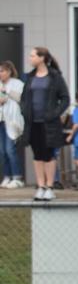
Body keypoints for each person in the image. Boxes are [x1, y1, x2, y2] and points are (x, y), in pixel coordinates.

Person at [18, 46, 70, 201]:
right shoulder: (29, 77)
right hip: (32, 123)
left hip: (49, 124)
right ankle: (40, 186)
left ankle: (49, 187)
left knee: (49, 154)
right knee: (37, 155)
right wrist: (24, 111)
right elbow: (24, 98)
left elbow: (65, 98)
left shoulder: (55, 77)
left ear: (41, 58)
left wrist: (54, 114)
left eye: (32, 56)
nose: (30, 58)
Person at [0, 60, 26, 188]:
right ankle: (7, 176)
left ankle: (17, 177)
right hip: (1, 120)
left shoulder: (17, 83)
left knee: (10, 150)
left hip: (12, 121)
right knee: (2, 151)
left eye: (2, 71)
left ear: (9, 71)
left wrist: (7, 92)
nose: (0, 74)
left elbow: (21, 98)